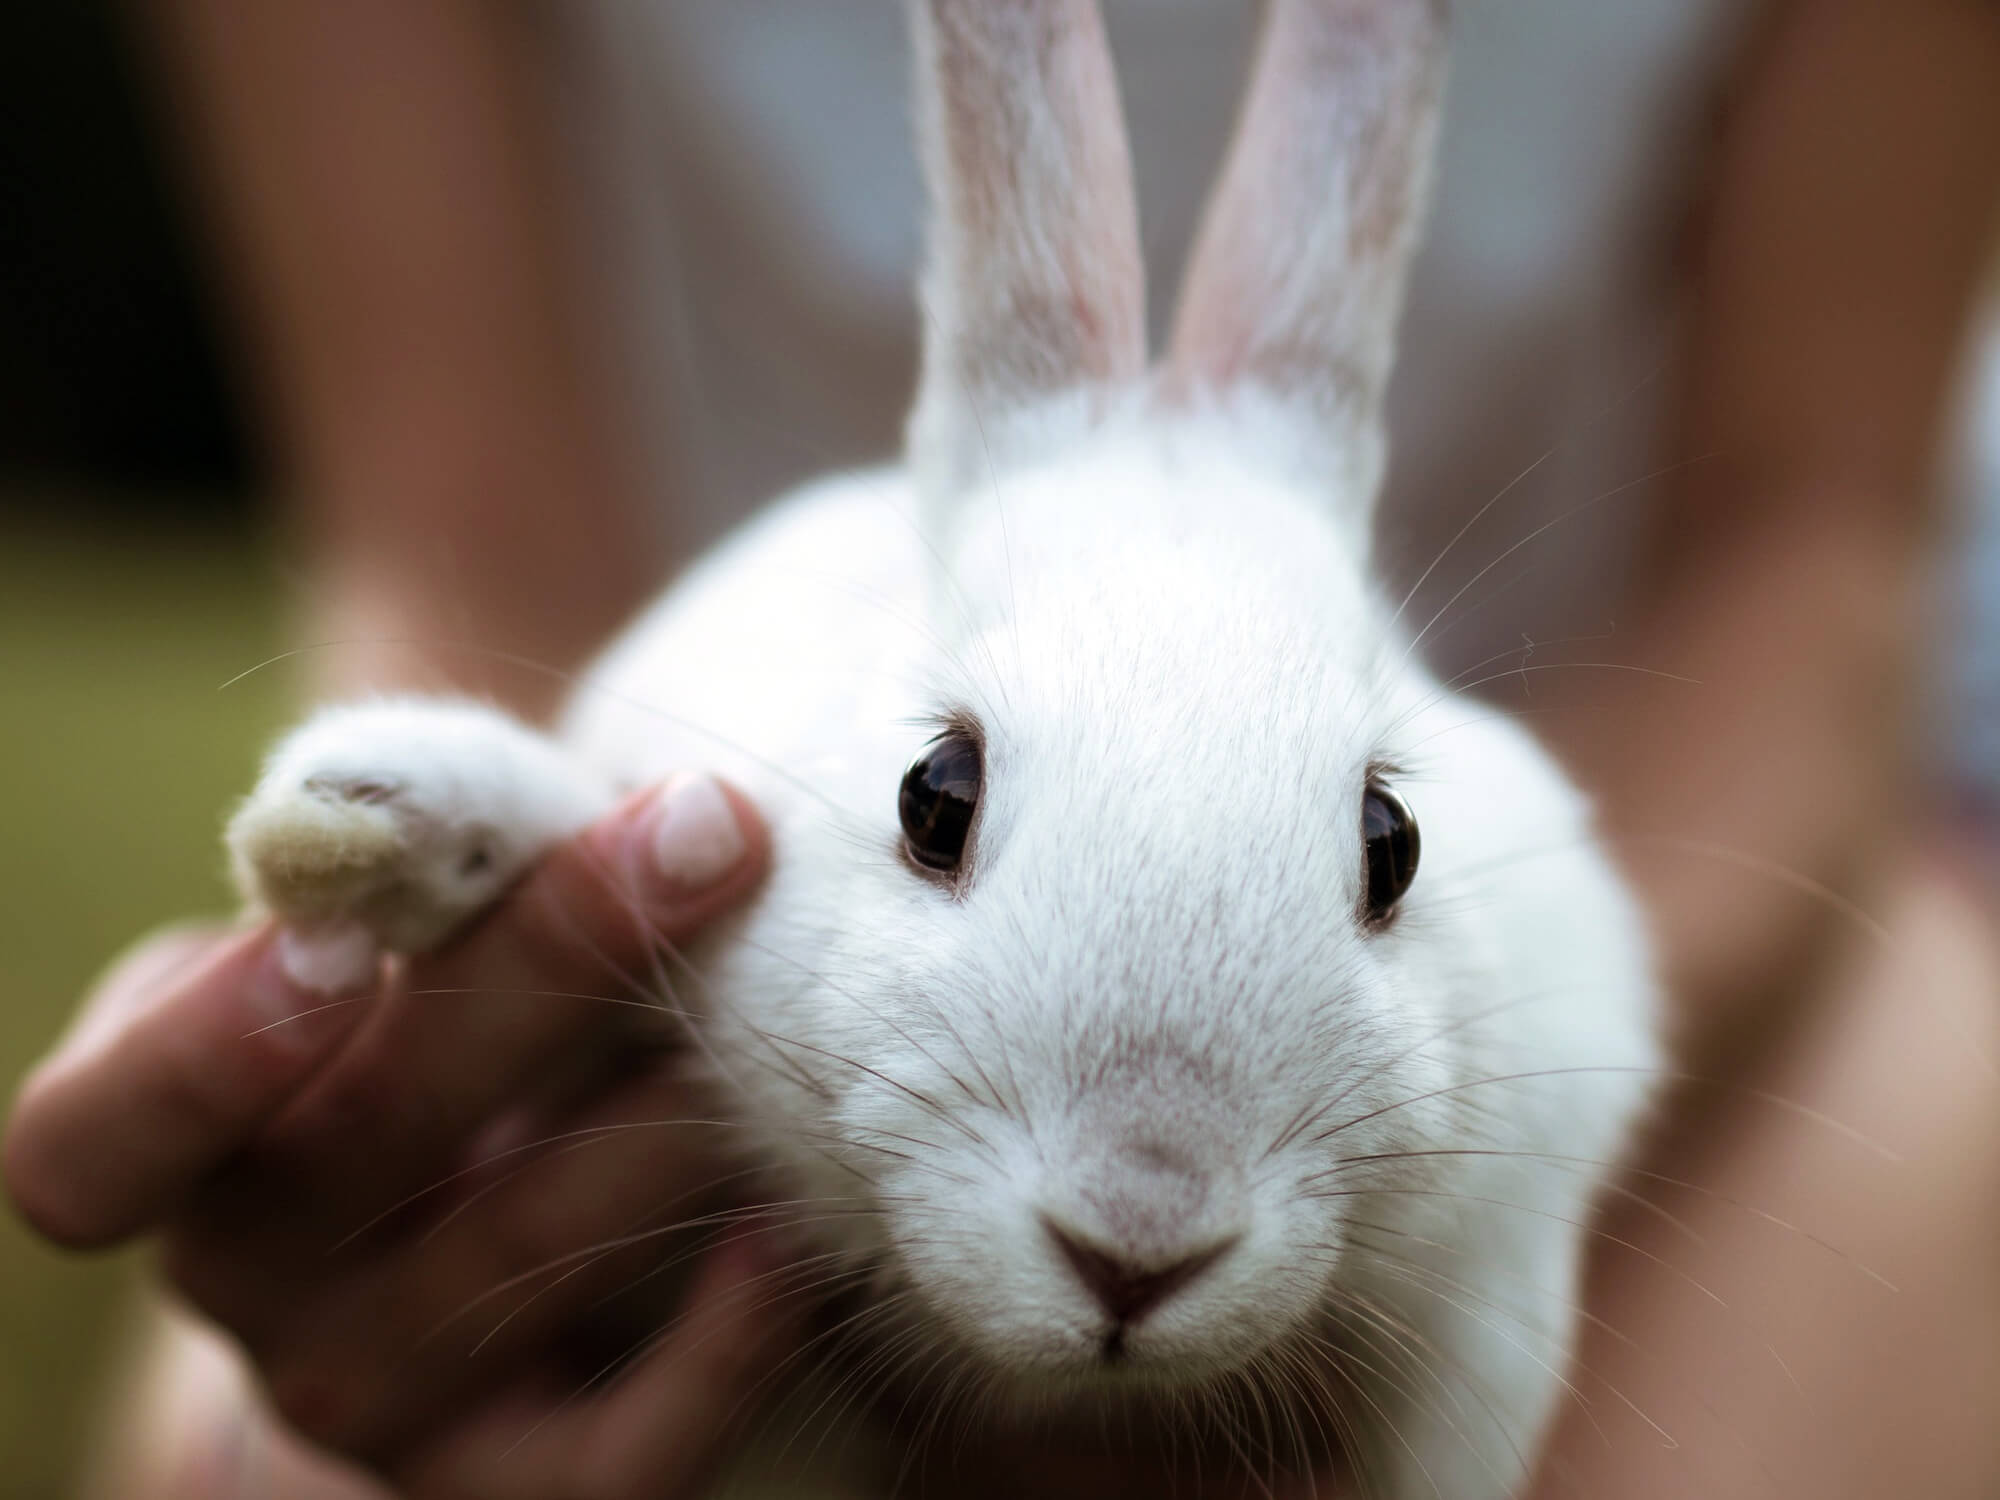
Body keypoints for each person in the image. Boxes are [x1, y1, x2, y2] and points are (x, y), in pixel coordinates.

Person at [6, 1, 1998, 1495]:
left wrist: (1489, 1201)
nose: (1133, 1230)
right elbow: (465, 535)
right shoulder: (800, 686)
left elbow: (1807, 534)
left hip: (1691, 808)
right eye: (946, 813)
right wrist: (477, 999)